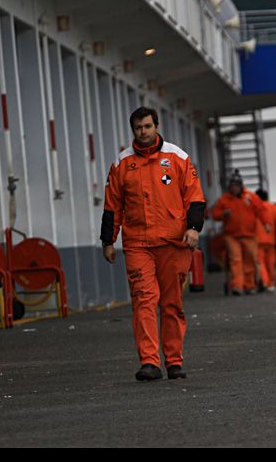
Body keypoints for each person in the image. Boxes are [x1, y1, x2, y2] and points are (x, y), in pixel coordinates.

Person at [101, 107, 205, 382]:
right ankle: (149, 361)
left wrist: (194, 229)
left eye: (147, 126)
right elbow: (113, 205)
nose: (143, 132)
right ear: (132, 130)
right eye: (138, 128)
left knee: (172, 303)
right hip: (138, 244)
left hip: (173, 242)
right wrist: (108, 241)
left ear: (156, 126)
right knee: (144, 301)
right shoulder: (122, 163)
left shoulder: (177, 157)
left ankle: (173, 360)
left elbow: (194, 197)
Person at [211, 171, 270, 296]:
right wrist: (223, 214)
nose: (234, 188)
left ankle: (249, 285)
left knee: (250, 260)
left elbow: (261, 211)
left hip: (249, 235)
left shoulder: (251, 197)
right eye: (232, 185)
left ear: (241, 185)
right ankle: (237, 285)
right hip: (231, 235)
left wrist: (266, 224)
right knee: (235, 260)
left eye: (236, 185)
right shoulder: (224, 200)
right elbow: (215, 214)